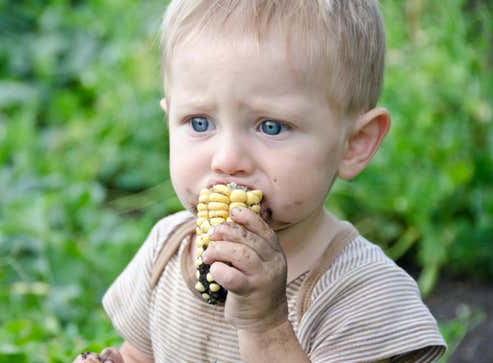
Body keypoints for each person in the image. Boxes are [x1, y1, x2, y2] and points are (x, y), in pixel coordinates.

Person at [74, 1, 446, 362]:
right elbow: (142, 354)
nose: (227, 160)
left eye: (271, 126)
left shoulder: (364, 296)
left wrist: (267, 326)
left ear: (354, 144)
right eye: (200, 123)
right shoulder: (167, 250)